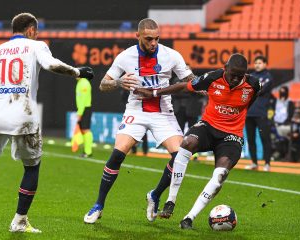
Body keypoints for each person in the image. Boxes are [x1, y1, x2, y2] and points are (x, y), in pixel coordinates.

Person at [0, 13, 94, 233]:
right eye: (37, 31)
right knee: (32, 168)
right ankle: (19, 221)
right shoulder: (36, 46)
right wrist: (77, 72)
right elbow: (52, 65)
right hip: (24, 116)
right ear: (31, 30)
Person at [83, 18, 195, 224]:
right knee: (118, 153)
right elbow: (102, 84)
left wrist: (198, 81)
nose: (153, 43)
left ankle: (155, 194)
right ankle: (98, 205)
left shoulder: (171, 55)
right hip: (136, 110)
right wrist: (118, 82)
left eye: (157, 38)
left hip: (163, 111)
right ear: (138, 36)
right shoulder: (126, 57)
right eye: (149, 39)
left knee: (180, 157)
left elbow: (190, 80)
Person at [135, 53, 260, 229]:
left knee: (220, 176)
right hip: (208, 127)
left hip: (231, 136)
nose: (235, 79)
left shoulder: (254, 85)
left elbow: (249, 103)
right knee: (186, 143)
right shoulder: (212, 77)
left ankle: (189, 218)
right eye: (232, 74)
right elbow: (184, 86)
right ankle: (171, 200)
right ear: (225, 68)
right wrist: (155, 93)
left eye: (240, 76)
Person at [245, 55, 274, 171]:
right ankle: (254, 163)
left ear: (265, 64)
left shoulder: (268, 77)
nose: (257, 65)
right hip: (249, 112)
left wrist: (250, 89)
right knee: (251, 139)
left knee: (264, 138)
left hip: (261, 112)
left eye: (260, 63)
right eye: (256, 63)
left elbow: (259, 90)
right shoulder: (251, 76)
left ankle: (267, 163)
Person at [271, 86, 294, 159]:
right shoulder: (276, 101)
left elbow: (290, 114)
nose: (282, 93)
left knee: (282, 137)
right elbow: (273, 112)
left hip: (285, 124)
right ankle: (276, 153)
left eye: (283, 91)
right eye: (281, 91)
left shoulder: (290, 102)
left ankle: (282, 154)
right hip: (275, 123)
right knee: (272, 137)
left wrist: (285, 122)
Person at [75, 77, 93, 157]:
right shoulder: (81, 82)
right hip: (83, 109)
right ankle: (86, 150)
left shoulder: (84, 83)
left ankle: (88, 152)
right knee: (83, 130)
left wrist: (80, 113)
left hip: (85, 108)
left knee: (86, 130)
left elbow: (83, 100)